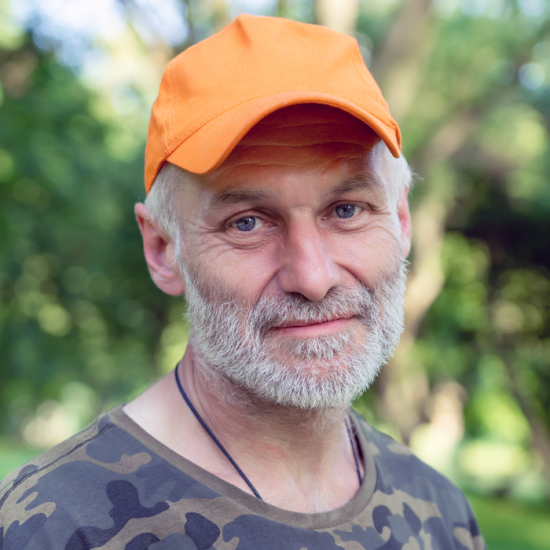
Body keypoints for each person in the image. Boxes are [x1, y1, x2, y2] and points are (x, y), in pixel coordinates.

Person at [0, 14, 486, 550]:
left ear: (400, 222)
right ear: (162, 249)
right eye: (247, 222)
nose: (313, 278)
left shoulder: (441, 513)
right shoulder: (52, 526)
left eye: (347, 209)